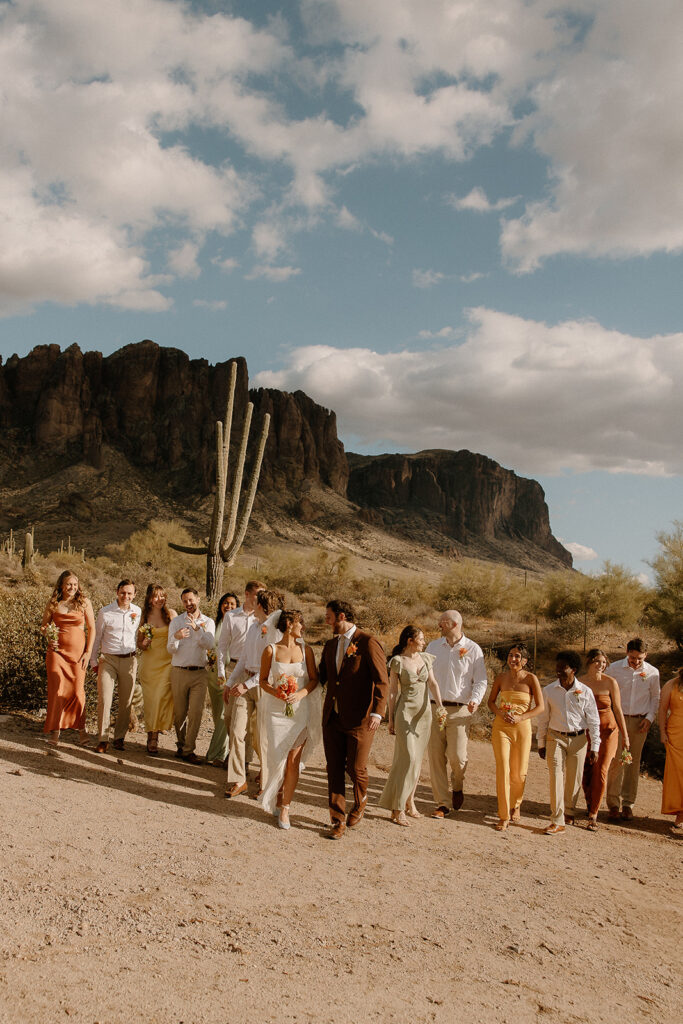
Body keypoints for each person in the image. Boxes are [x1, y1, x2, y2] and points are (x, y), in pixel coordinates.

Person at [319, 599, 389, 840]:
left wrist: (378, 712)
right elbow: (320, 677)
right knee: (334, 768)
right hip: (332, 717)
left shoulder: (368, 642)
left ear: (341, 616)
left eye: (328, 616)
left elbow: (382, 680)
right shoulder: (329, 646)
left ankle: (360, 802)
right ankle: (337, 820)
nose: (325, 620)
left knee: (356, 767)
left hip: (361, 718)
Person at [257, 610, 320, 830]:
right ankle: (276, 794)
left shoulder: (307, 650)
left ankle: (285, 807)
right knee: (277, 758)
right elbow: (263, 681)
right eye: (300, 623)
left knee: (293, 760)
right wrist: (277, 693)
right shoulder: (270, 650)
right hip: (276, 711)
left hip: (299, 711)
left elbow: (314, 679)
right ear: (289, 624)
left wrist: (301, 694)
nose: (302, 627)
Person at [378, 626, 445, 826]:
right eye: (421, 639)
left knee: (417, 761)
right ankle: (397, 808)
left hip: (423, 715)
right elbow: (392, 692)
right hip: (404, 714)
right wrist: (389, 719)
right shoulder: (397, 662)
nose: (424, 642)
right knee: (407, 758)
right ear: (410, 640)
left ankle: (410, 801)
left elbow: (433, 684)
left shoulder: (426, 658)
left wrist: (440, 707)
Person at [426, 609, 488, 818]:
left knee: (457, 757)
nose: (439, 625)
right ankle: (442, 804)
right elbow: (424, 675)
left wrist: (476, 700)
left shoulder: (473, 649)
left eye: (442, 622)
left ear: (453, 624)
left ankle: (458, 784)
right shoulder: (433, 647)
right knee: (435, 757)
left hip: (460, 711)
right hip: (435, 708)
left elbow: (480, 680)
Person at [224, 589, 284, 798]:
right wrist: (230, 682)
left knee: (262, 736)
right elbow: (243, 658)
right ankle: (239, 779)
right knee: (236, 731)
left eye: (254, 600)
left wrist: (246, 685)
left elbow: (271, 667)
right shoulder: (253, 628)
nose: (250, 601)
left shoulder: (275, 631)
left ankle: (266, 782)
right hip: (245, 682)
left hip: (264, 686)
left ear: (260, 605)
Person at [537, 651, 601, 835]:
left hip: (579, 740)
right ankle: (557, 819)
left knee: (574, 778)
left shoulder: (585, 692)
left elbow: (593, 720)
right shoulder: (549, 690)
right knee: (556, 775)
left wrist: (594, 746)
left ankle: (569, 811)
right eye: (557, 667)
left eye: (563, 667)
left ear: (573, 670)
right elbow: (544, 719)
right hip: (555, 737)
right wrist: (541, 743)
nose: (558, 671)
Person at [487, 643, 544, 831]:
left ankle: (515, 805)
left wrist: (521, 716)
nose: (513, 659)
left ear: (525, 660)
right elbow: (491, 702)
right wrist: (500, 713)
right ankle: (503, 815)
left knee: (519, 773)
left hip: (522, 728)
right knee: (503, 769)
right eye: (511, 655)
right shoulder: (501, 678)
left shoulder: (531, 679)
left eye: (518, 656)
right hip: (501, 727)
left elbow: (540, 707)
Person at [606, 638, 660, 821]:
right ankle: (613, 804)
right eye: (632, 657)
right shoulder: (614, 669)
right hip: (617, 720)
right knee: (616, 761)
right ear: (627, 653)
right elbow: (606, 691)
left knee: (633, 762)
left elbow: (655, 699)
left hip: (639, 722)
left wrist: (650, 719)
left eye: (639, 658)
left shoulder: (652, 673)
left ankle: (628, 804)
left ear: (645, 656)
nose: (635, 662)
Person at [41, 571, 95, 748]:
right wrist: (50, 636)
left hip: (78, 654)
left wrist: (88, 652)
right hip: (56, 653)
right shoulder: (54, 602)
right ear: (61, 585)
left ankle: (81, 729)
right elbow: (44, 626)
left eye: (75, 584)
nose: (72, 588)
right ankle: (56, 731)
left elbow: (91, 629)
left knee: (78, 692)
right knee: (58, 690)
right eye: (68, 584)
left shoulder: (84, 602)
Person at [579, 649, 629, 830]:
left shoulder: (610, 683)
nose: (601, 665)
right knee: (587, 771)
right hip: (587, 732)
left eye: (603, 662)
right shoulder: (580, 682)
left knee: (601, 769)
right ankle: (590, 802)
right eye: (597, 662)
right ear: (589, 662)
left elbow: (618, 709)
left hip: (608, 731)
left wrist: (626, 736)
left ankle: (594, 814)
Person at [218, 580, 265, 773]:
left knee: (251, 720)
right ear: (247, 594)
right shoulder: (231, 616)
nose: (261, 599)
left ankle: (243, 759)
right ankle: (234, 750)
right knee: (229, 716)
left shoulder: (262, 620)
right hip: (235, 668)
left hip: (258, 672)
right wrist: (222, 672)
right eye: (257, 595)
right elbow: (222, 646)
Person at [90, 579, 141, 754]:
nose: (125, 596)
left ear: (134, 595)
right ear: (117, 592)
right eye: (123, 592)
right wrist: (93, 661)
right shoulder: (105, 612)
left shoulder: (137, 612)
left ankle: (119, 737)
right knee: (105, 698)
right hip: (108, 659)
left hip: (129, 660)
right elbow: (97, 637)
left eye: (129, 593)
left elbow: (140, 636)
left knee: (126, 700)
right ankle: (103, 739)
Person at [167, 588, 215, 764]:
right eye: (185, 601)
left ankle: (189, 750)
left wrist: (197, 629)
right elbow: (170, 648)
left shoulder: (208, 622)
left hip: (199, 674)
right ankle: (181, 745)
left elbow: (209, 644)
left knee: (195, 712)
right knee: (180, 713)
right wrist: (176, 637)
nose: (188, 604)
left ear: (198, 599)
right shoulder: (176, 622)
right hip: (179, 671)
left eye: (191, 600)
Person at [136, 584, 177, 756]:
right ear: (149, 598)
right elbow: (139, 643)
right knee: (151, 700)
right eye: (156, 596)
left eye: (162, 596)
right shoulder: (144, 616)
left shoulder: (171, 614)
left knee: (162, 696)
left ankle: (157, 731)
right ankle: (152, 736)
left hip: (167, 663)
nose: (160, 600)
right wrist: (143, 644)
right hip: (149, 664)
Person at [205, 592, 238, 766]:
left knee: (224, 715)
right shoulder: (214, 623)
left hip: (229, 675)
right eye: (226, 603)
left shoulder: (237, 625)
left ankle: (215, 754)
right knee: (218, 714)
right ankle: (224, 752)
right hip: (213, 675)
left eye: (232, 604)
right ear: (220, 605)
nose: (228, 606)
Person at [658, 669, 683, 835]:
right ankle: (680, 813)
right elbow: (662, 709)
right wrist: (662, 732)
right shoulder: (672, 684)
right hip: (676, 735)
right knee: (677, 775)